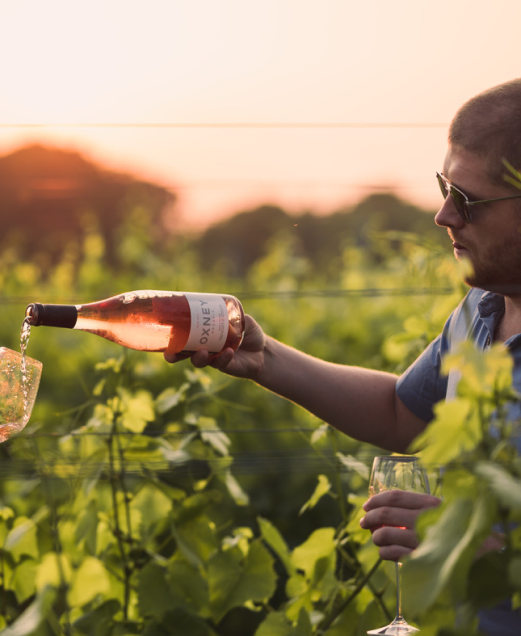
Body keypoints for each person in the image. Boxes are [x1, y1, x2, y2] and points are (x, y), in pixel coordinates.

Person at [169, 78, 521, 634]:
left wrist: (469, 543)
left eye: (469, 201)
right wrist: (265, 359)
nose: (445, 216)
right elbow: (403, 415)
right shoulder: (482, 309)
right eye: (444, 188)